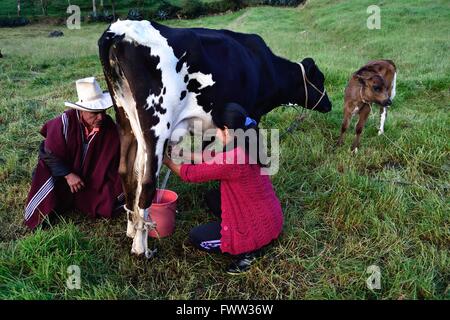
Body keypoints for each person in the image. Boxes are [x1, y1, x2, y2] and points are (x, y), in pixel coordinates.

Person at [163, 103, 283, 275]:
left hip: (258, 230)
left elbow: (189, 174)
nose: (215, 132)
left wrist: (166, 161)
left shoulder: (235, 158)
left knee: (196, 237)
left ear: (226, 130)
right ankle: (251, 236)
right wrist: (182, 153)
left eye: (216, 129)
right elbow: (211, 157)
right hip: (271, 216)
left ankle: (248, 252)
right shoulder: (247, 141)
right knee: (213, 197)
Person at [24, 77, 124, 229]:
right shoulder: (64, 122)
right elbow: (47, 151)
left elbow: (114, 157)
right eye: (95, 113)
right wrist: (68, 174)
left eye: (103, 111)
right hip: (64, 177)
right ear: (81, 110)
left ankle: (80, 199)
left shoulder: (108, 126)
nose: (101, 117)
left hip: (90, 179)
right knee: (44, 173)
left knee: (115, 195)